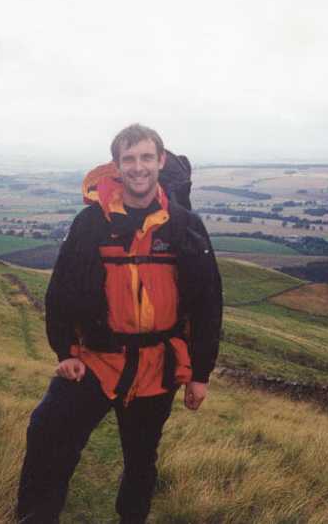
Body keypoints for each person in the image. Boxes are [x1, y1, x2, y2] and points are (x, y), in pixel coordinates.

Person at [16, 124, 223, 524]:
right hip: (98, 358)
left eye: (147, 157)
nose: (138, 167)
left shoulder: (183, 226)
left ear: (161, 162)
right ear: (116, 166)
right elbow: (61, 291)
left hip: (157, 365)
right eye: (129, 159)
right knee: (48, 431)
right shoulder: (90, 223)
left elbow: (207, 302)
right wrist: (66, 352)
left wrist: (200, 374)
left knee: (142, 460)